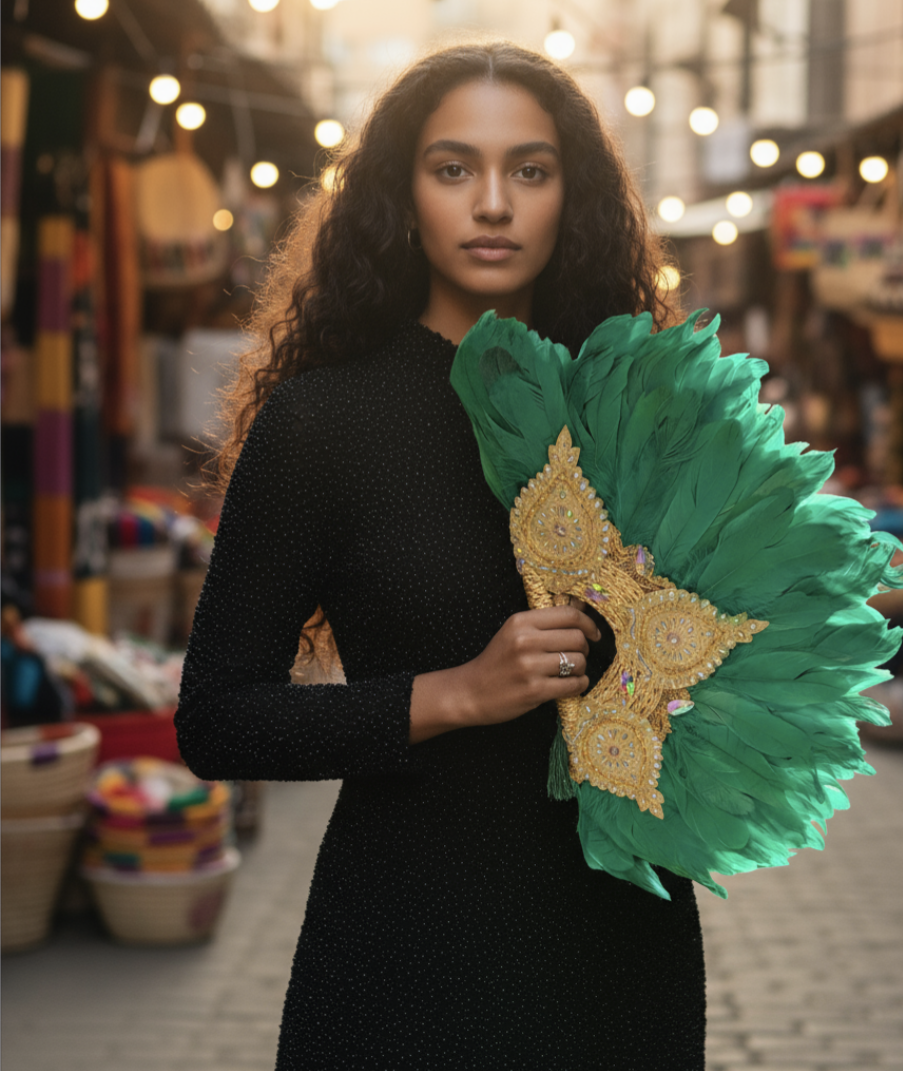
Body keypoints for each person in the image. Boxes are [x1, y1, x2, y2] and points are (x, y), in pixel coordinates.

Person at [176, 41, 705, 1070]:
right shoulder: (326, 423)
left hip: (620, 941)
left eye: (532, 171)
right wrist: (456, 694)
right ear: (401, 193)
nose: (494, 203)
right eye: (454, 168)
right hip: (408, 944)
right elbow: (217, 717)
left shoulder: (640, 418)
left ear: (573, 196)